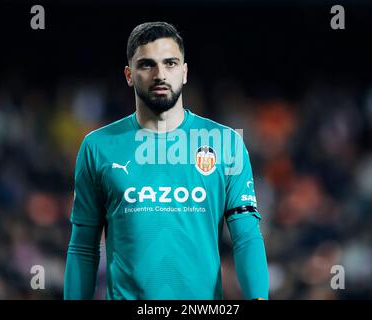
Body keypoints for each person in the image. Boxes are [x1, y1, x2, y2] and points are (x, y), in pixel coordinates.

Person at [63, 21, 269, 300]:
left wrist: (259, 298)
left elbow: (246, 237)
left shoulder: (226, 144)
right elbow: (83, 247)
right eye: (147, 64)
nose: (160, 74)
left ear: (184, 72)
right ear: (129, 74)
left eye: (170, 63)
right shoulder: (98, 147)